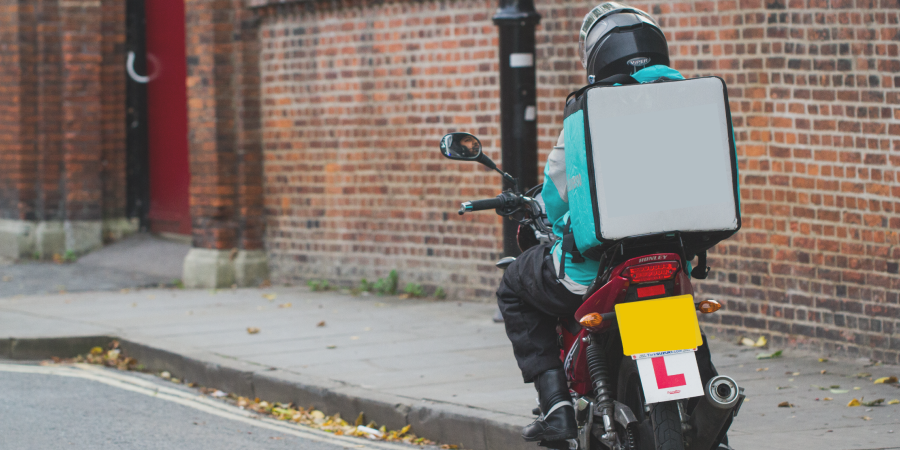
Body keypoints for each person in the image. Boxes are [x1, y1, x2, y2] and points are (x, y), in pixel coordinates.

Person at [496, 3, 730, 448]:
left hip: (597, 269)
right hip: (671, 257)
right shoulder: (694, 100)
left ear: (596, 57)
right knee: (684, 324)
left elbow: (555, 195)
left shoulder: (589, 110)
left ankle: (557, 408)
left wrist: (545, 210)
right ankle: (715, 421)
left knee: (513, 285)